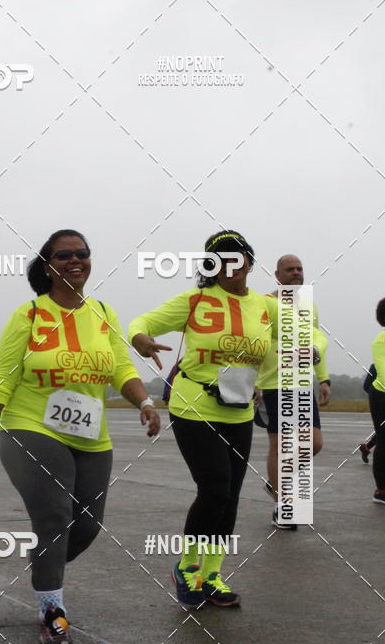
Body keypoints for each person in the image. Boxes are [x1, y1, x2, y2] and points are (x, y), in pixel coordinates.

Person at [0, 229, 160, 644]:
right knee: (54, 517)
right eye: (64, 255)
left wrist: (145, 401)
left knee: (87, 526)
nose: (76, 260)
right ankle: (52, 612)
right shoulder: (29, 315)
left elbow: (121, 370)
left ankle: (44, 566)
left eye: (83, 254)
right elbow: (3, 377)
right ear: (48, 265)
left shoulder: (103, 312)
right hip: (30, 427)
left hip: (90, 434)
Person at [129, 230, 278, 608]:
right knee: (214, 487)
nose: (229, 265)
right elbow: (142, 321)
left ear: (249, 260)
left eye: (236, 256)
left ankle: (212, 575)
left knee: (230, 497)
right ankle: (187, 568)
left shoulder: (266, 306)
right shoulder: (194, 301)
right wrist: (140, 339)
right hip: (193, 404)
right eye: (218, 258)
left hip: (240, 410)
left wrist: (311, 353)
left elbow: (300, 335)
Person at [256, 255, 330, 530]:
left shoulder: (309, 307)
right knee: (281, 445)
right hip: (273, 384)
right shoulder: (265, 304)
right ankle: (281, 505)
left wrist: (324, 379)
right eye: (290, 270)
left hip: (302, 383)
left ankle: (275, 482)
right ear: (277, 274)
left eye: (300, 269)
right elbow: (254, 341)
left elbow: (316, 341)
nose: (296, 273)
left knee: (315, 443)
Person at [368, 299, 385, 504]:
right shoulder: (382, 339)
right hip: (382, 396)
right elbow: (383, 373)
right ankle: (381, 490)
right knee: (384, 441)